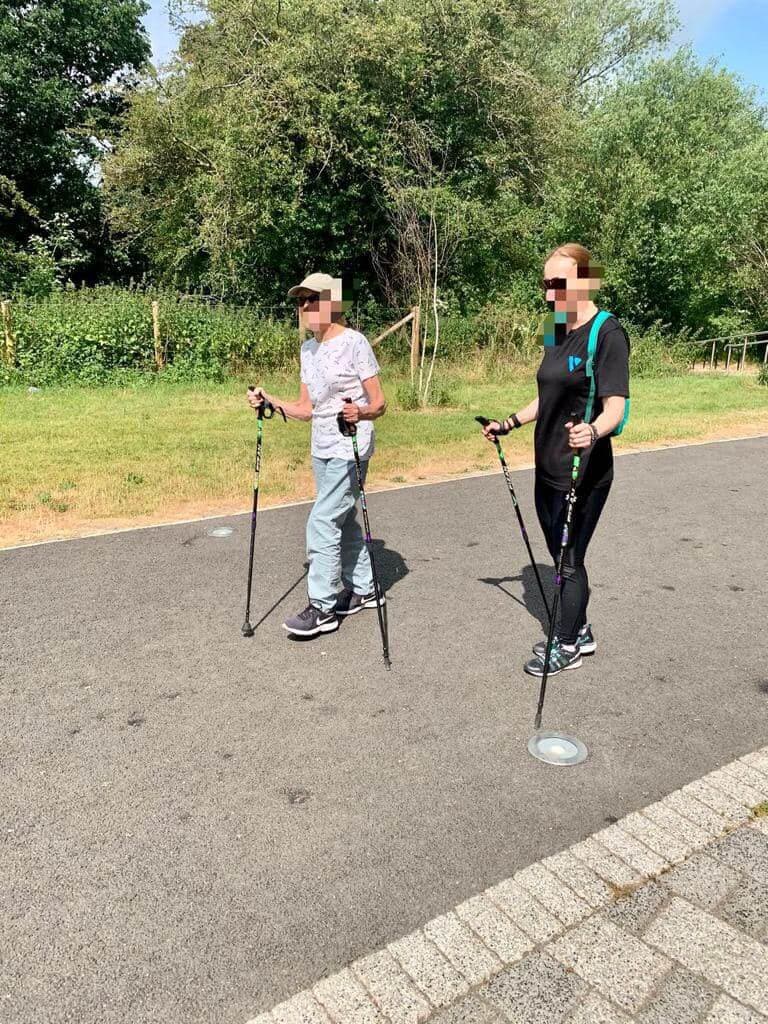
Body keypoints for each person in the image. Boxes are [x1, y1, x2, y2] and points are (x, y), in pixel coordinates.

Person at [482, 244, 630, 676]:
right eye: (546, 285)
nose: (549, 294)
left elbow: (615, 407)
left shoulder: (608, 333)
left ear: (584, 281)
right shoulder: (556, 326)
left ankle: (566, 643)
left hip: (582, 470)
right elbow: (546, 392)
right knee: (558, 552)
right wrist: (508, 422)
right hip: (546, 464)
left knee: (568, 559)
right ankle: (579, 630)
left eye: (558, 284)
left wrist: (594, 431)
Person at [247, 273, 387, 637]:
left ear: (332, 302)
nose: (305, 307)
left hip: (350, 444)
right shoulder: (308, 350)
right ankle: (365, 588)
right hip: (321, 445)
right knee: (341, 518)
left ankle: (323, 608)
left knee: (322, 521)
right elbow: (305, 408)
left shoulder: (355, 343)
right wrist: (269, 401)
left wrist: (361, 411)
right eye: (300, 301)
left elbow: (380, 403)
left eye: (312, 299)